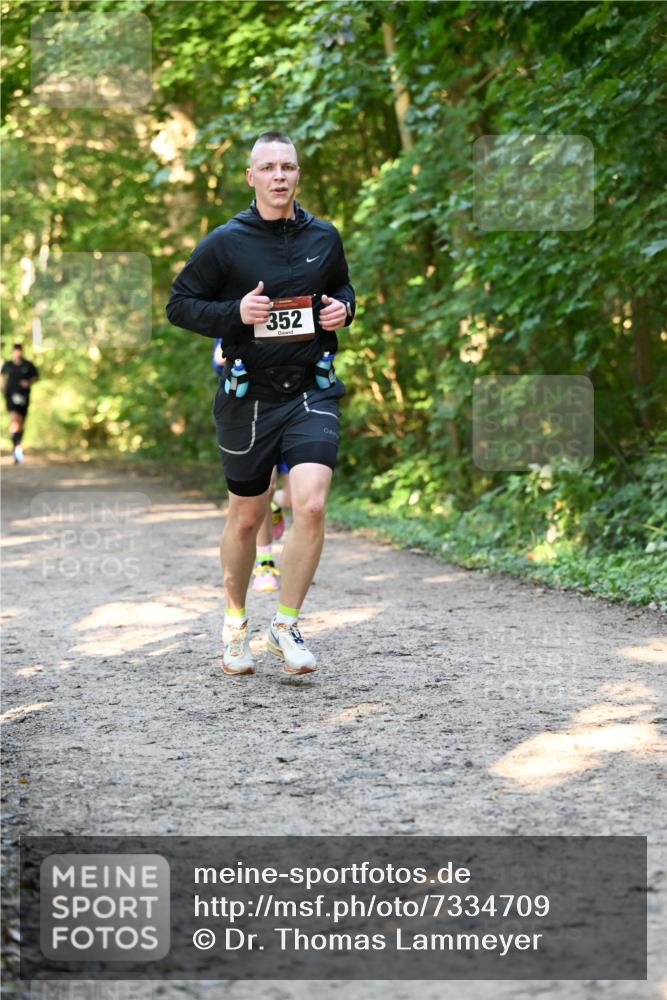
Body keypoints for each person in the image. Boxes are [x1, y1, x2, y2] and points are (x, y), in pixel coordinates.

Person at [167, 130, 355, 676]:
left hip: (312, 387)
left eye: (288, 167)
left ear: (298, 175)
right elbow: (180, 306)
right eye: (269, 167)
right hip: (248, 397)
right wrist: (235, 314)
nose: (280, 176)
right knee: (248, 517)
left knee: (312, 503)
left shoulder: (325, 235)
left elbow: (342, 290)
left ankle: (286, 625)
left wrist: (345, 311)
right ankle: (234, 623)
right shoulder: (226, 242)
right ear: (250, 177)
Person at [212, 338, 280, 593]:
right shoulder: (237, 317)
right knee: (266, 486)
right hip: (256, 414)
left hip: (297, 405)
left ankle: (276, 507)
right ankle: (265, 563)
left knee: (299, 497)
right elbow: (220, 362)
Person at [2, 343, 39, 463]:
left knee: (20, 423)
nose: (17, 353)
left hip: (24, 397)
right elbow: (2, 376)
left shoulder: (28, 365)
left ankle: (17, 445)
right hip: (10, 396)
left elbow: (35, 377)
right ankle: (16, 448)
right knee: (14, 419)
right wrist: (3, 387)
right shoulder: (8, 365)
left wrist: (28, 382)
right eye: (15, 351)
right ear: (13, 352)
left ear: (22, 352)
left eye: (19, 351)